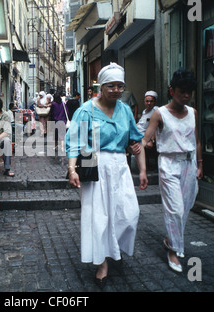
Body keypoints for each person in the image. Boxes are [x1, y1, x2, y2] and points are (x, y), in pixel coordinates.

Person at [66, 62, 148, 289]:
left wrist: (141, 170)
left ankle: (113, 247)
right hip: (95, 166)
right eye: (111, 86)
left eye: (120, 86)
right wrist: (72, 170)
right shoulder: (86, 110)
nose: (116, 90)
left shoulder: (124, 111)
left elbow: (136, 141)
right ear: (101, 87)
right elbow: (75, 144)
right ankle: (102, 263)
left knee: (129, 213)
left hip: (120, 167)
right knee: (98, 217)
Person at [141, 68, 203, 273]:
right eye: (182, 91)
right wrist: (142, 146)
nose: (185, 95)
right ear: (172, 90)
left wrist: (200, 164)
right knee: (175, 209)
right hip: (168, 164)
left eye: (189, 92)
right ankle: (174, 251)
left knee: (184, 209)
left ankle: (170, 240)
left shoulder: (192, 112)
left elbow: (197, 140)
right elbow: (146, 138)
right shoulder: (160, 113)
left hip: (189, 163)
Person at [137, 91, 159, 168]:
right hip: (138, 133)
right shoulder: (145, 111)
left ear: (155, 102)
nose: (149, 103)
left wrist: (151, 140)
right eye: (147, 101)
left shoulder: (156, 111)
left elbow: (156, 127)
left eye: (151, 101)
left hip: (145, 136)